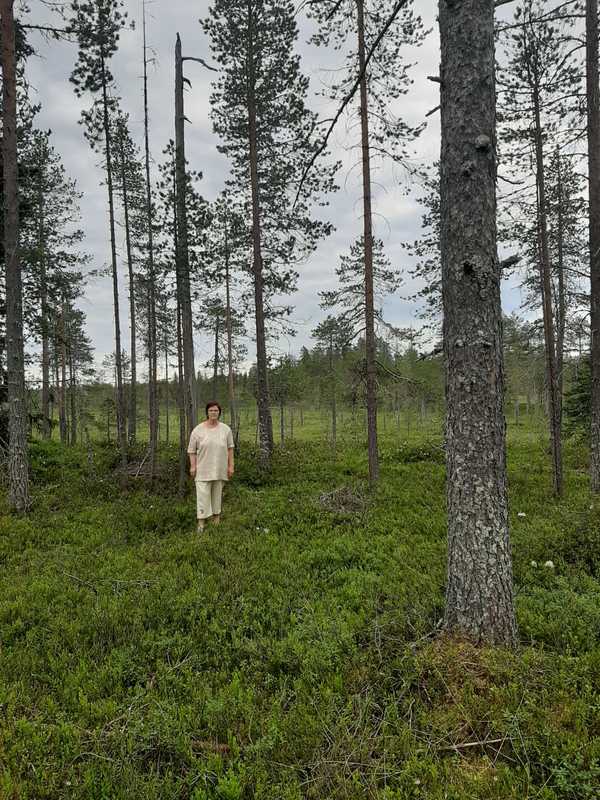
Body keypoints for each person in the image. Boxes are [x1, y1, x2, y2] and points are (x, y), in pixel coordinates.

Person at [187, 402, 235, 533]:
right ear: (207, 412)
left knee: (217, 495)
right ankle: (201, 524)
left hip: (219, 469)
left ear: (219, 413)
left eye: (216, 411)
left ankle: (216, 521)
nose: (213, 413)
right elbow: (191, 450)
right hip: (203, 470)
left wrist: (231, 466)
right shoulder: (198, 430)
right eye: (211, 410)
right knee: (202, 497)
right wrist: (193, 466)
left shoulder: (226, 430)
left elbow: (230, 449)